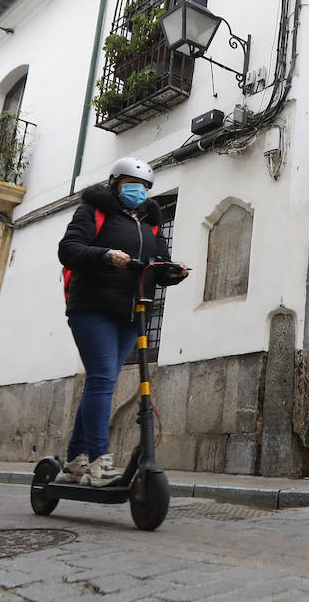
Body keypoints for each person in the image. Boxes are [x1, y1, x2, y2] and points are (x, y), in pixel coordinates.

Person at [57, 157, 187, 486]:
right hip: (92, 307)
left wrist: (173, 272)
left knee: (102, 381)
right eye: (132, 184)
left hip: (132, 312)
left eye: (144, 187)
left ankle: (74, 461)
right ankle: (100, 460)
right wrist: (104, 255)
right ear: (115, 183)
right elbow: (69, 249)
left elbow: (158, 262)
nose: (138, 191)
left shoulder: (150, 223)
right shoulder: (94, 211)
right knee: (102, 380)